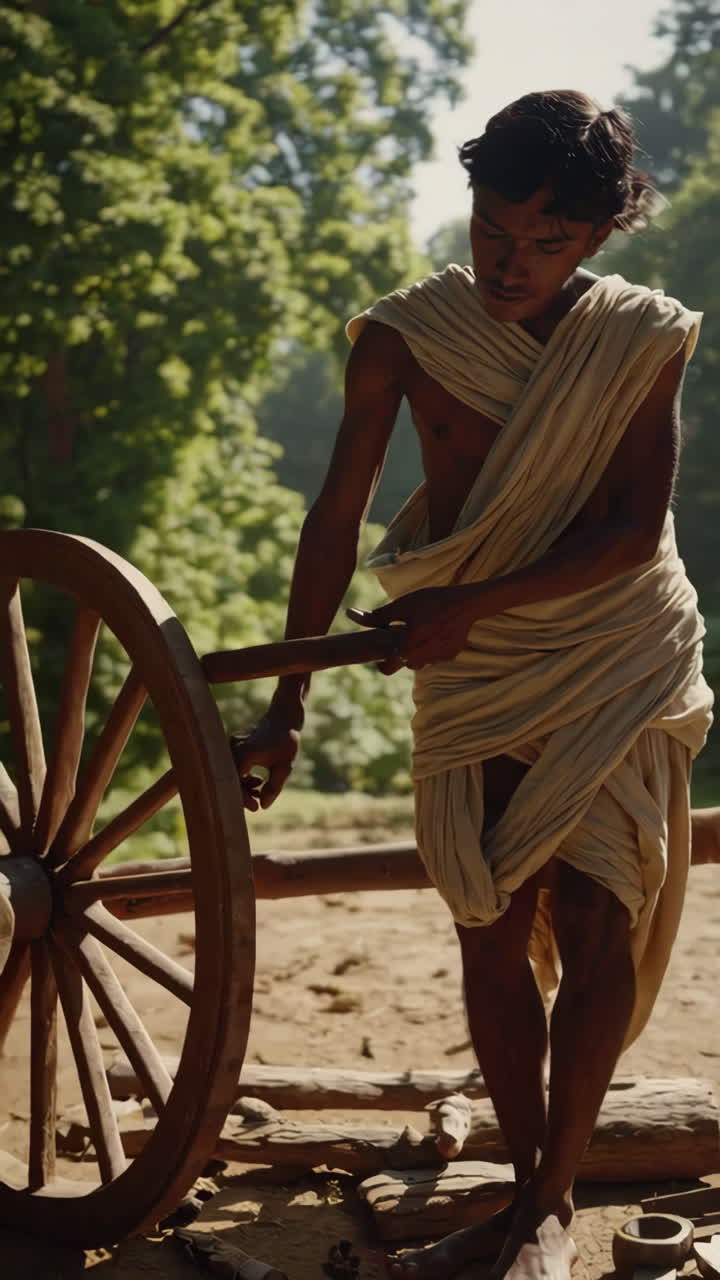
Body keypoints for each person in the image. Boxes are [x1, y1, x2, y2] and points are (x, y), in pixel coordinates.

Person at [231, 90, 714, 1280]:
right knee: (488, 917)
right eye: (495, 229)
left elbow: (628, 530)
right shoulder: (403, 334)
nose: (511, 262)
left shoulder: (640, 338)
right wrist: (285, 703)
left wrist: (463, 606)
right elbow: (336, 516)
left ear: (602, 234)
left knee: (601, 906)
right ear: (473, 208)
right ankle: (525, 1192)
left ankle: (543, 1201)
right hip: (472, 665)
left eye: (547, 242)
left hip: (612, 643)